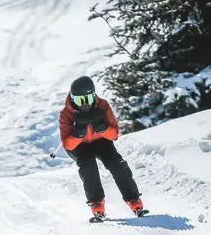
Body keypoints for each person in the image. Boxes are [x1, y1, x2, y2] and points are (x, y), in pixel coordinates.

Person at [59, 76, 146, 220]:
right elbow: (68, 144)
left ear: (94, 95)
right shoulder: (66, 114)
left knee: (116, 164)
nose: (85, 104)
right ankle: (97, 204)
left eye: (89, 98)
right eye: (80, 100)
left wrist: (102, 128)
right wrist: (78, 132)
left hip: (101, 141)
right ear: (73, 99)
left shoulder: (102, 106)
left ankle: (134, 200)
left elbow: (114, 134)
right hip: (79, 146)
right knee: (88, 167)